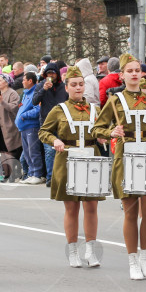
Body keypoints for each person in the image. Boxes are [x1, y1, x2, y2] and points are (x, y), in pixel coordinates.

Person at [93, 53, 146, 280]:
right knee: (131, 212)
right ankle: (132, 260)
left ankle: (145, 258)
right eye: (129, 71)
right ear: (121, 75)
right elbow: (97, 128)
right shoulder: (114, 100)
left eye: (137, 70)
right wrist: (111, 132)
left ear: (142, 74)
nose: (133, 74)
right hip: (126, 155)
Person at [39, 66, 106, 268]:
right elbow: (43, 132)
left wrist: (106, 134)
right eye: (74, 85)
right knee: (71, 207)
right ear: (67, 87)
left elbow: (104, 130)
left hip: (90, 156)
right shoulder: (59, 110)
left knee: (91, 206)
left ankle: (90, 250)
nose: (78, 88)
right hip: (67, 158)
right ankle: (73, 250)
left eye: (81, 84)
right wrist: (55, 140)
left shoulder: (95, 109)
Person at [34, 62, 68, 186]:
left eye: (53, 73)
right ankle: (50, 177)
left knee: (61, 150)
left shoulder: (63, 87)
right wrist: (44, 89)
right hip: (47, 123)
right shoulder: (41, 86)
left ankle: (61, 176)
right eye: (48, 73)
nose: (51, 76)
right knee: (49, 151)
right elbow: (34, 101)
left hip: (62, 123)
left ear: (57, 74)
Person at [0, 74, 22, 181]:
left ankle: (12, 173)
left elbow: (13, 108)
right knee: (2, 150)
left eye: (0, 81)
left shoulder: (12, 93)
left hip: (9, 126)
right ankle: (5, 173)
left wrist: (2, 101)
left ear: (6, 82)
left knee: (10, 149)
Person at [15, 71, 45, 184]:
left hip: (31, 126)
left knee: (33, 151)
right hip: (23, 128)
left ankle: (38, 173)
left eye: (24, 80)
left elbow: (37, 109)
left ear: (30, 81)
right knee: (27, 152)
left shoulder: (34, 93)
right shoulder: (25, 93)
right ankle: (31, 173)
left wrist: (24, 116)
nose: (22, 82)